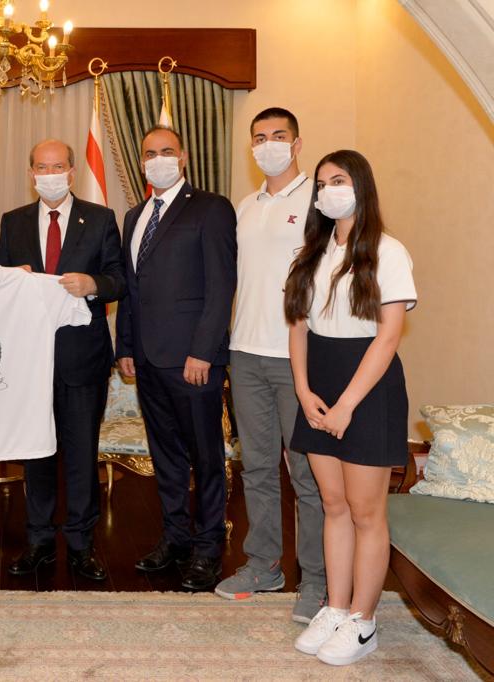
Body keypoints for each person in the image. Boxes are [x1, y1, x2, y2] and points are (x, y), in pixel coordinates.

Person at [285, 150, 416, 666]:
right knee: (333, 504)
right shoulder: (312, 253)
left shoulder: (388, 251)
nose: (328, 191)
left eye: (338, 180)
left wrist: (346, 405)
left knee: (366, 511)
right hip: (319, 382)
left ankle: (364, 620)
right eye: (321, 184)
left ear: (361, 186)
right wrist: (303, 389)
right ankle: (336, 607)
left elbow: (388, 337)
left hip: (367, 387)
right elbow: (298, 327)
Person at [214, 108, 326, 623]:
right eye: (259, 138)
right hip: (246, 352)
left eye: (279, 136)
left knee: (306, 472)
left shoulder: (319, 201)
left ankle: (318, 579)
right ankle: (264, 565)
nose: (268, 145)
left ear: (297, 144)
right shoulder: (246, 205)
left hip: (297, 355)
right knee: (257, 466)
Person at [0, 139, 125, 581]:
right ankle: (38, 541)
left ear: (72, 172)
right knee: (36, 453)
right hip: (29, 360)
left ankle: (82, 545)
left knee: (81, 455)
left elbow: (118, 280)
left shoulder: (101, 218)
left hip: (82, 358)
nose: (49, 174)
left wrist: (93, 284)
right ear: (30, 173)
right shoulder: (12, 221)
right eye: (41, 167)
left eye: (57, 167)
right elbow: (0, 287)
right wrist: (12, 279)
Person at [115, 125, 237, 591]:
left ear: (183, 157)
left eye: (167, 151)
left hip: (193, 360)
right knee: (165, 455)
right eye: (150, 153)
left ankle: (208, 548)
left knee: (205, 456)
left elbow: (221, 285)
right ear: (141, 162)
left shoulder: (210, 207)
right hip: (147, 360)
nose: (158, 159)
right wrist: (126, 347)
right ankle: (176, 538)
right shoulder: (135, 215)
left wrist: (203, 351)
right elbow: (132, 289)